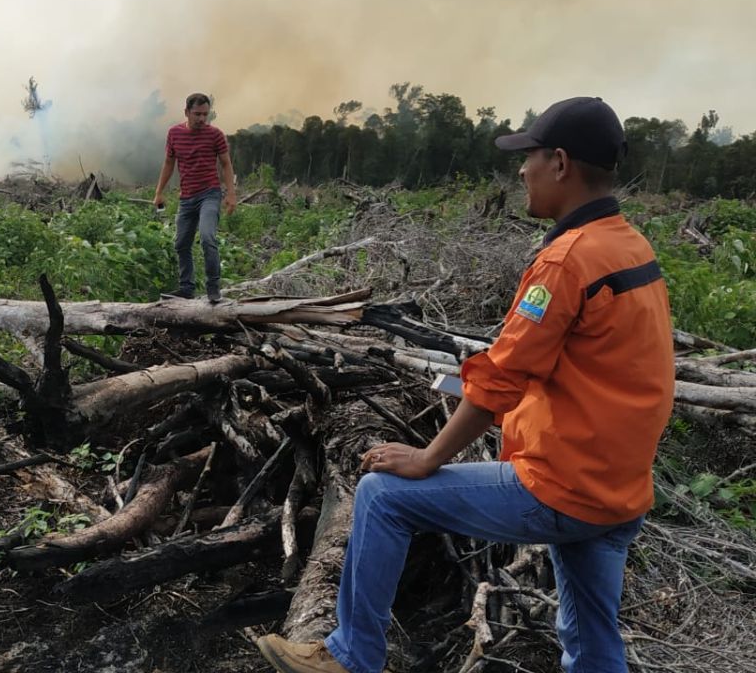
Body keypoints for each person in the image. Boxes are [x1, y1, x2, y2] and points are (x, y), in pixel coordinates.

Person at [256, 96, 675, 673]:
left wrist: (428, 457)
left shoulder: (566, 262)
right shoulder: (629, 245)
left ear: (559, 163)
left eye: (526, 159)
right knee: (593, 645)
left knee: (384, 496)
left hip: (566, 484)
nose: (520, 173)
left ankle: (349, 658)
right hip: (620, 487)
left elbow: (501, 380)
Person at [153, 93, 238, 303]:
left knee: (208, 237)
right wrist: (159, 192)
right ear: (186, 112)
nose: (202, 119)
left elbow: (226, 164)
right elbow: (169, 163)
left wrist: (231, 194)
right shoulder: (174, 133)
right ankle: (187, 287)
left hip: (209, 194)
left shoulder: (215, 135)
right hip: (186, 197)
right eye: (197, 114)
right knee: (181, 243)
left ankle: (213, 287)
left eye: (205, 115)